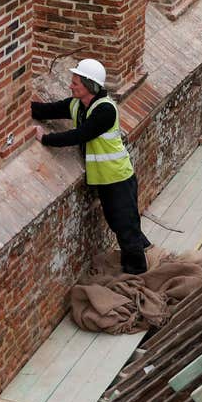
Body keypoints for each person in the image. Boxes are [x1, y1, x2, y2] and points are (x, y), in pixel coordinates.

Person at [32, 58, 150, 275]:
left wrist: (46, 139)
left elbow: (80, 135)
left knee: (125, 226)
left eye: (75, 83)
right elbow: (45, 110)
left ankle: (137, 273)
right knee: (119, 223)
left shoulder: (105, 110)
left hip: (118, 178)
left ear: (88, 86)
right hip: (105, 179)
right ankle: (144, 253)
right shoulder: (77, 104)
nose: (71, 85)